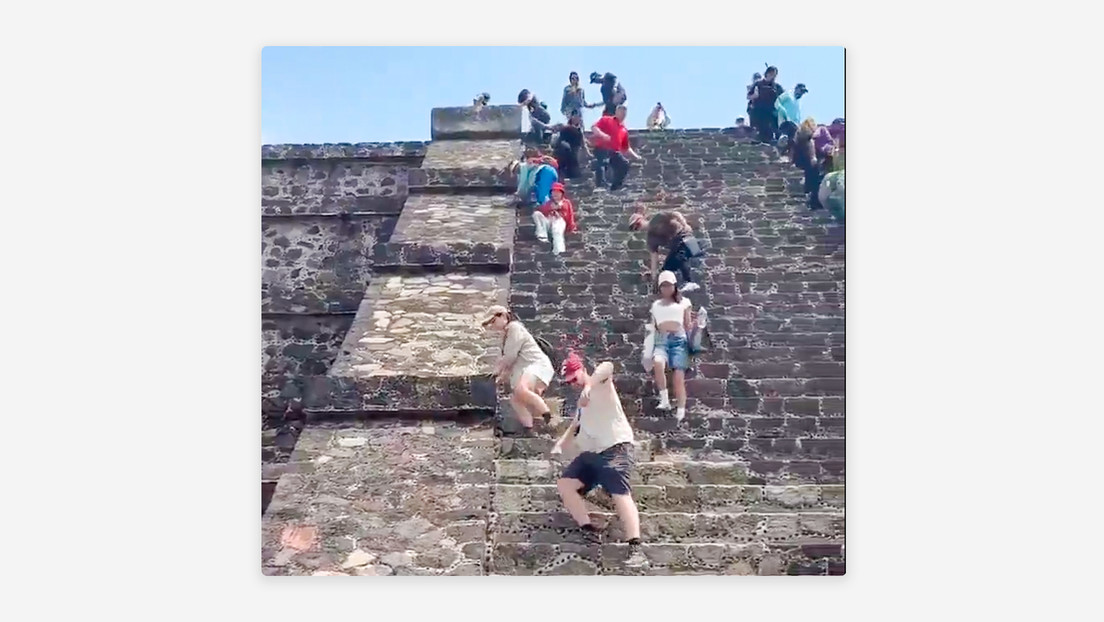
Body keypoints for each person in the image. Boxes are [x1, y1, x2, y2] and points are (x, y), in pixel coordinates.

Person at [552, 351, 648, 568]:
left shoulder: (600, 384)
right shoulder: (581, 402)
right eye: (569, 383)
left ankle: (635, 546)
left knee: (620, 492)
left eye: (575, 379)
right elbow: (574, 425)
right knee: (565, 484)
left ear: (583, 371)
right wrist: (560, 444)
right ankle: (588, 529)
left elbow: (608, 365)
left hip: (617, 448)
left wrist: (589, 385)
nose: (574, 385)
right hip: (593, 453)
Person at [483, 305, 555, 436]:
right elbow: (510, 363)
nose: (492, 326)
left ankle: (547, 414)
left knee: (521, 389)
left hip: (537, 365)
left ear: (503, 316)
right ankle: (528, 429)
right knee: (515, 400)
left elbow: (510, 357)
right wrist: (500, 378)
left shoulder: (514, 328)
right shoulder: (506, 335)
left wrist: (496, 371)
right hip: (527, 369)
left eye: (493, 321)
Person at [649, 271, 693, 420]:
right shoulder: (656, 305)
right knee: (657, 362)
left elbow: (688, 325)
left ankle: (681, 409)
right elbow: (654, 325)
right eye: (663, 286)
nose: (666, 288)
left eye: (669, 285)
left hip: (678, 340)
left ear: (674, 286)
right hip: (662, 338)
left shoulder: (684, 302)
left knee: (678, 377)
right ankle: (664, 399)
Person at [639, 210, 702, 293]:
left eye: (637, 225)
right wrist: (654, 277)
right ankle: (670, 291)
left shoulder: (656, 219)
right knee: (667, 268)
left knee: (680, 254)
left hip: (684, 237)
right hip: (677, 244)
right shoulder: (651, 238)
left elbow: (675, 214)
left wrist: (684, 224)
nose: (638, 228)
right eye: (635, 228)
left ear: (642, 220)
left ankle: (689, 281)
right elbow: (654, 257)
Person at [590, 104, 642, 191]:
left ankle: (616, 186)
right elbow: (594, 127)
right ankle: (600, 186)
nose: (623, 115)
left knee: (624, 164)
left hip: (614, 152)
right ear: (616, 112)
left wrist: (636, 156)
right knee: (603, 162)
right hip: (602, 148)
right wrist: (602, 135)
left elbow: (626, 147)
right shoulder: (606, 120)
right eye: (621, 112)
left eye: (625, 113)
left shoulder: (623, 129)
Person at [534, 182, 578, 255]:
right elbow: (543, 211)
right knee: (536, 214)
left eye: (557, 192)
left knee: (557, 230)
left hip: (559, 221)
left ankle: (559, 252)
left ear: (561, 193)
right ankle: (543, 236)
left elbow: (570, 215)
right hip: (549, 221)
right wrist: (550, 208)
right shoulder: (549, 203)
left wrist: (572, 228)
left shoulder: (566, 202)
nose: (555, 194)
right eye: (553, 192)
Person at [748, 66, 784, 143]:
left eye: (774, 75)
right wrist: (755, 95)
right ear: (767, 73)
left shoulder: (777, 87)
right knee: (758, 132)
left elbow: (783, 98)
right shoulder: (758, 84)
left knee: (770, 133)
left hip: (771, 113)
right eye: (771, 74)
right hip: (758, 112)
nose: (773, 76)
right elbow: (748, 96)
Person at [550, 110, 589, 180]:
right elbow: (559, 140)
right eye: (575, 116)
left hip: (574, 151)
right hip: (564, 150)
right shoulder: (565, 128)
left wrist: (587, 153)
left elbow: (583, 143)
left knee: (574, 169)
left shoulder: (579, 130)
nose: (577, 118)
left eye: (578, 117)